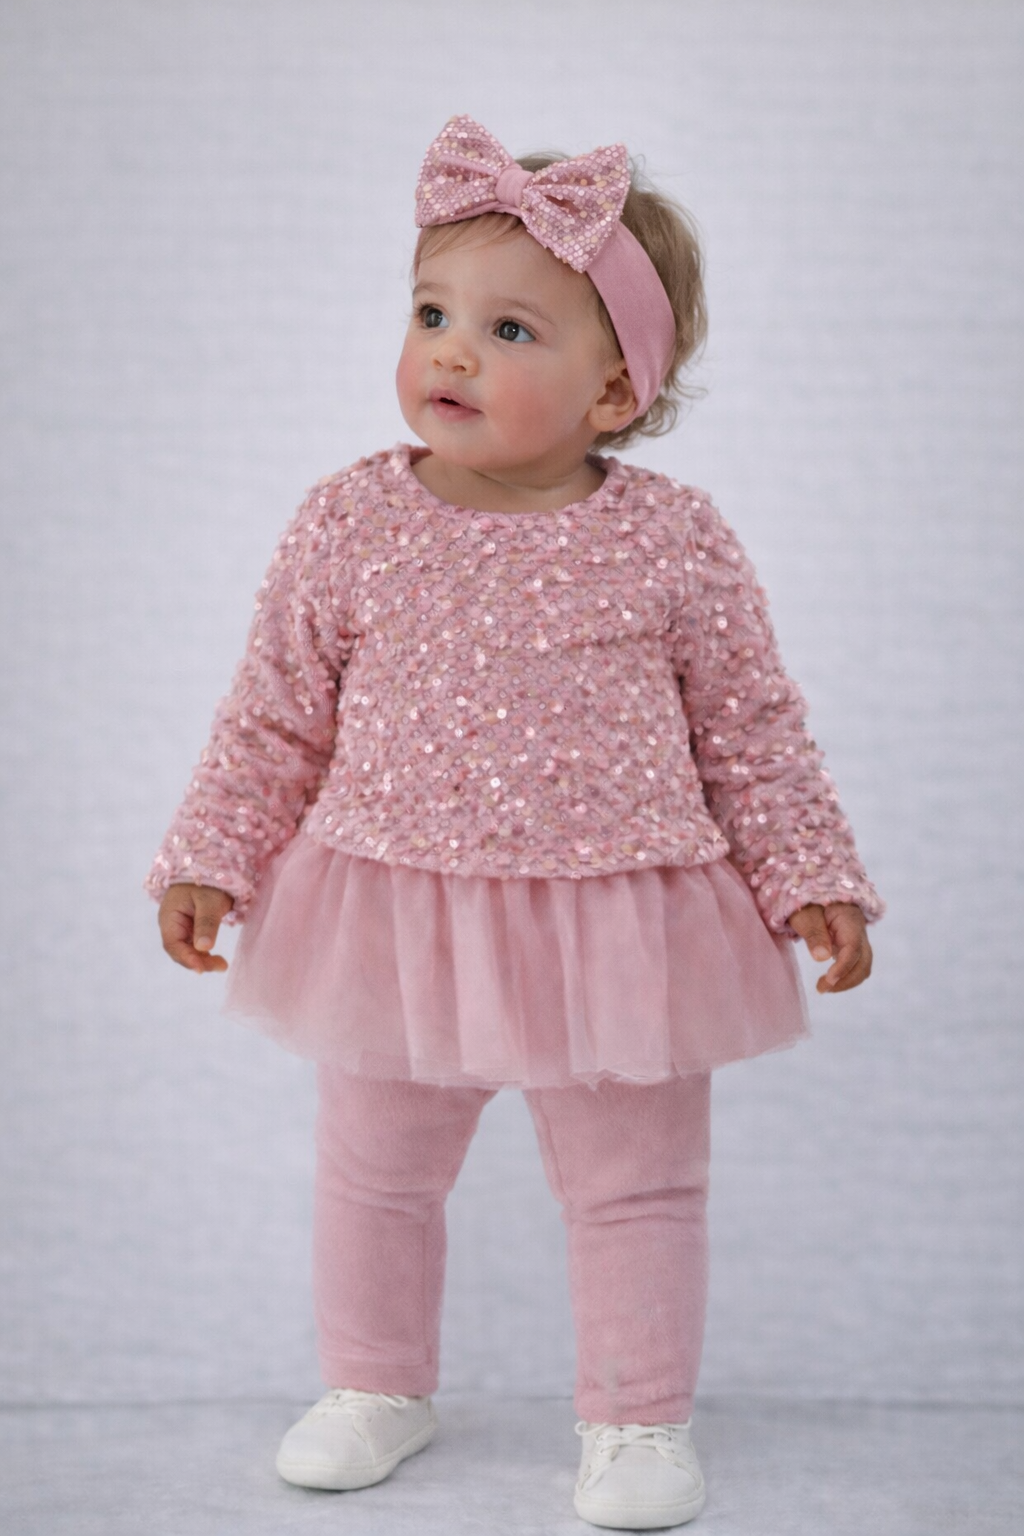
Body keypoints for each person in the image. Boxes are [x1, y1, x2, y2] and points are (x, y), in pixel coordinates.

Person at [145, 116, 883, 1530]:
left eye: (508, 330)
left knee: (637, 1185)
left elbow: (752, 730)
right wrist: (211, 855)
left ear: (616, 388)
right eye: (431, 315)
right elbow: (274, 717)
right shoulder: (349, 521)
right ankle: (375, 1386)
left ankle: (638, 1415)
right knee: (375, 1173)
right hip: (394, 910)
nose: (452, 354)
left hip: (621, 921)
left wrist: (808, 873)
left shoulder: (674, 539)